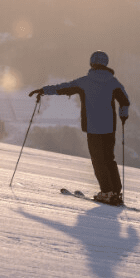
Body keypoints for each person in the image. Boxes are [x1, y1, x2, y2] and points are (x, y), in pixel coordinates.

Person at [29, 50, 131, 205]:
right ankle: (115, 191)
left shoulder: (84, 82)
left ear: (92, 63)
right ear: (106, 64)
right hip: (110, 128)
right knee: (109, 159)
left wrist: (43, 90)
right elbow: (124, 101)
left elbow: (63, 88)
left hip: (93, 127)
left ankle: (106, 193)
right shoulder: (113, 82)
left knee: (98, 160)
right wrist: (123, 116)